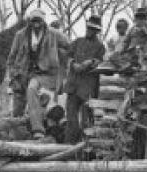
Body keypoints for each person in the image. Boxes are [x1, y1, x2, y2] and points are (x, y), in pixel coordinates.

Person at [6, 9, 70, 139]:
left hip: (44, 73)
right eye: (33, 20)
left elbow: (69, 46)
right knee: (18, 104)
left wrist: (60, 59)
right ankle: (16, 137)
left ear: (43, 21)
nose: (36, 23)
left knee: (32, 89)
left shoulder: (53, 34)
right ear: (29, 21)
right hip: (23, 72)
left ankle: (38, 130)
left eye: (38, 20)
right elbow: (12, 57)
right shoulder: (21, 35)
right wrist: (12, 74)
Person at [63, 15, 106, 144]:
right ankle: (68, 145)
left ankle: (85, 148)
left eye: (93, 29)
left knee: (87, 120)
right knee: (71, 118)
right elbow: (68, 55)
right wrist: (73, 64)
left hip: (88, 86)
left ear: (97, 31)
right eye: (89, 27)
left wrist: (91, 62)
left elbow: (102, 61)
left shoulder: (100, 47)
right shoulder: (77, 41)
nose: (89, 30)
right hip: (73, 85)